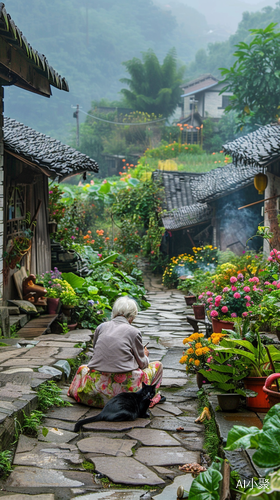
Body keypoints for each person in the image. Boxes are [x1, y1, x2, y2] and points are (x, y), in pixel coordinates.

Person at [68, 296, 164, 408]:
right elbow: (142, 364)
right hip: (125, 396)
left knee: (82, 368)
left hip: (96, 390)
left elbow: (97, 352)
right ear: (132, 317)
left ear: (114, 312)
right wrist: (145, 355)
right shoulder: (134, 332)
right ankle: (150, 399)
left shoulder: (101, 327)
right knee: (158, 366)